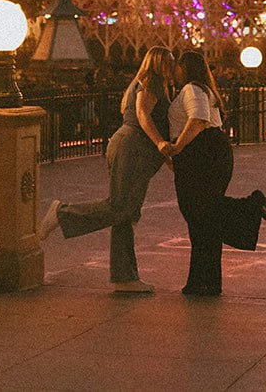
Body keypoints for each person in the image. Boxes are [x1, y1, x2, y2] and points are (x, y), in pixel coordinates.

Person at [38, 48, 173, 293]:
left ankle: (125, 277)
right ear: (161, 63)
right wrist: (160, 144)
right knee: (120, 207)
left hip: (130, 147)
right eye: (171, 63)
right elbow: (143, 114)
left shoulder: (142, 82)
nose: (174, 68)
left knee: (125, 212)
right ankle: (62, 213)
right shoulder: (152, 80)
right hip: (133, 148)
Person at [165, 50, 266, 297]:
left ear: (186, 69)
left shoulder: (192, 90)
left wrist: (176, 148)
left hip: (200, 153)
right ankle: (205, 282)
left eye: (177, 67)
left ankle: (252, 206)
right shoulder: (202, 89)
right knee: (204, 219)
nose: (173, 71)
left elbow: (199, 119)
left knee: (199, 212)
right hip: (209, 152)